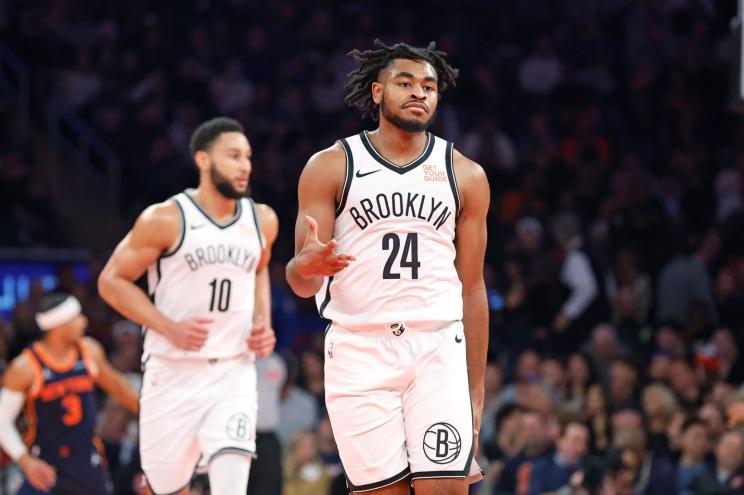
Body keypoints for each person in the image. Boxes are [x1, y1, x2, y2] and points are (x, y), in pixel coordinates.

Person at [286, 40, 490, 494]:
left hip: (436, 348)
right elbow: (301, 284)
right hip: (358, 350)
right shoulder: (331, 166)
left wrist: (475, 389)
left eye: (429, 86)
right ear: (377, 92)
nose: (420, 93)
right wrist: (305, 267)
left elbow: (473, 289)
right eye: (405, 83)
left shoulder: (466, 174)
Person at [98, 117, 278, 495]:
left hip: (233, 372)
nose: (244, 165)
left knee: (232, 485)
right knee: (169, 490)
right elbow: (110, 281)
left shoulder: (263, 219)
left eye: (247, 156)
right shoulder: (165, 218)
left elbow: (259, 268)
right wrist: (168, 326)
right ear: (203, 160)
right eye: (232, 156)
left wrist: (263, 321)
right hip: (172, 373)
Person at [0, 293, 139, 494]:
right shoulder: (26, 367)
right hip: (46, 462)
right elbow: (2, 419)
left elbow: (119, 387)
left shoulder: (89, 351)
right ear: (60, 326)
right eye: (77, 318)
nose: (84, 322)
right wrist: (25, 460)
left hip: (86, 460)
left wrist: (152, 415)